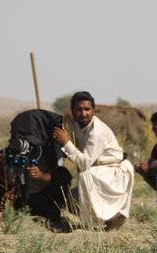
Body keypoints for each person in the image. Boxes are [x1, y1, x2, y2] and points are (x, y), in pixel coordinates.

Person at [53, 91, 134, 230]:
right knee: (69, 198)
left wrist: (66, 142)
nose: (83, 114)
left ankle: (91, 224)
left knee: (86, 175)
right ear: (73, 111)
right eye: (79, 110)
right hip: (101, 170)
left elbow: (84, 163)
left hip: (115, 172)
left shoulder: (96, 132)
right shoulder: (80, 125)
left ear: (93, 111)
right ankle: (107, 220)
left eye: (87, 109)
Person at [0, 109, 72, 227]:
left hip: (45, 201)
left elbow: (60, 177)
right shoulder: (17, 148)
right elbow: (8, 181)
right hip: (21, 201)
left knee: (63, 173)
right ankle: (7, 216)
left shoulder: (51, 149)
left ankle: (54, 219)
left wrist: (43, 176)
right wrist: (6, 166)